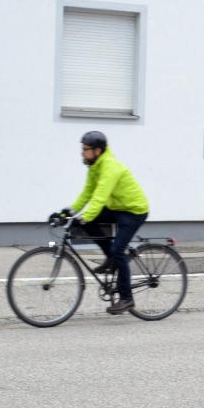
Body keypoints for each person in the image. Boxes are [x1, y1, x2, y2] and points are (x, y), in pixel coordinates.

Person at [62, 131, 150, 314]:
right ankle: (110, 258)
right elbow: (87, 193)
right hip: (117, 207)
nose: (82, 153)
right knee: (85, 223)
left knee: (119, 250)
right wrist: (69, 211)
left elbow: (100, 196)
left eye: (85, 149)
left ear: (98, 150)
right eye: (82, 149)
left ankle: (126, 299)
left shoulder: (110, 167)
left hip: (134, 211)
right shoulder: (95, 166)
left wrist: (85, 216)